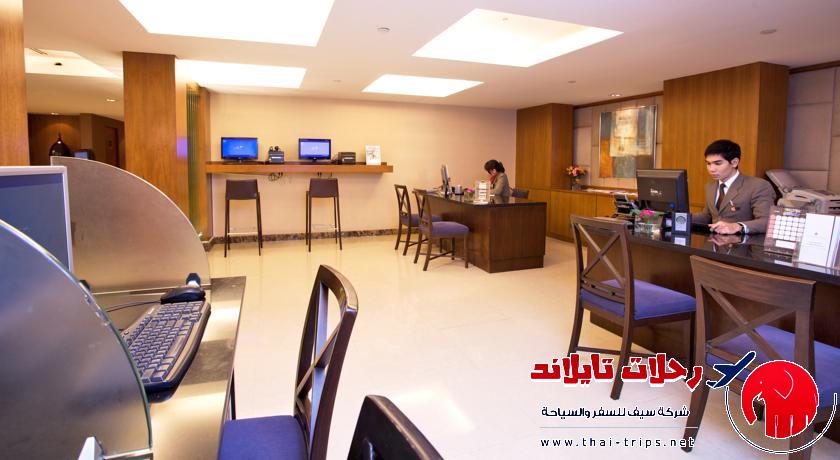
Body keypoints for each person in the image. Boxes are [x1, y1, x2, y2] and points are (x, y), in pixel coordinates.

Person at [691, 139, 775, 234]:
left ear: (734, 162)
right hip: (714, 240)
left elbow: (767, 222)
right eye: (708, 163)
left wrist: (737, 226)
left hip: (742, 242)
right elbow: (707, 216)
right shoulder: (709, 186)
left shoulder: (758, 186)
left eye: (718, 163)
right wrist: (680, 217)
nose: (711, 169)